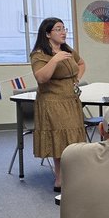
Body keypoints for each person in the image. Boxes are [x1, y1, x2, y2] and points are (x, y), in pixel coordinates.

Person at [29, 16, 87, 193]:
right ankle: (60, 179)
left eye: (64, 29)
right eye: (59, 29)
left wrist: (76, 79)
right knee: (60, 139)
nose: (63, 32)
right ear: (47, 33)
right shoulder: (39, 54)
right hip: (53, 102)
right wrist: (54, 60)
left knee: (74, 138)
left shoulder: (66, 49)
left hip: (71, 100)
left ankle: (74, 175)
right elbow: (41, 78)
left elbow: (81, 63)